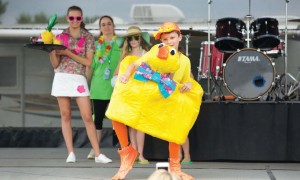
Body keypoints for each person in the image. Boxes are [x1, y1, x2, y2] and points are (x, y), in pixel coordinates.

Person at [105, 22, 204, 180]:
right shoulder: (156, 51)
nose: (169, 41)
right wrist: (125, 74)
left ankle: (175, 168)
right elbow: (135, 64)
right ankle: (127, 152)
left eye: (172, 37)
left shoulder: (185, 61)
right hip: (149, 97)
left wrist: (189, 84)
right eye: (165, 39)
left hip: (168, 100)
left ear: (180, 37)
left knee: (176, 129)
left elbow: (187, 79)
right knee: (116, 113)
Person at [49, 6, 105, 163]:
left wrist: (67, 53)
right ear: (67, 18)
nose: (75, 21)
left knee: (88, 116)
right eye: (71, 18)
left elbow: (88, 62)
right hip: (61, 76)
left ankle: (98, 154)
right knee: (65, 115)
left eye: (78, 18)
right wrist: (51, 50)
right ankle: (70, 153)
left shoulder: (88, 37)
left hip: (78, 77)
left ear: (81, 19)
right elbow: (55, 64)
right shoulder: (60, 36)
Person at [85, 15, 121, 162]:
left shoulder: (120, 43)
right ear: (100, 28)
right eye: (103, 24)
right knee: (97, 119)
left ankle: (123, 148)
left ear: (113, 26)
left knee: (119, 118)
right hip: (98, 87)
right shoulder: (94, 45)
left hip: (116, 87)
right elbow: (90, 66)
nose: (106, 27)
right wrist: (83, 84)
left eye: (109, 24)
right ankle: (95, 149)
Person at [114, 25, 151, 164]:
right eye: (131, 38)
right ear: (128, 41)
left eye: (136, 37)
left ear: (141, 39)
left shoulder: (146, 54)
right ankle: (134, 153)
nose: (134, 40)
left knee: (140, 125)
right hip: (129, 95)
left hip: (142, 93)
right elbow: (116, 75)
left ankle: (140, 154)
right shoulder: (125, 56)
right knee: (131, 125)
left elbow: (152, 72)